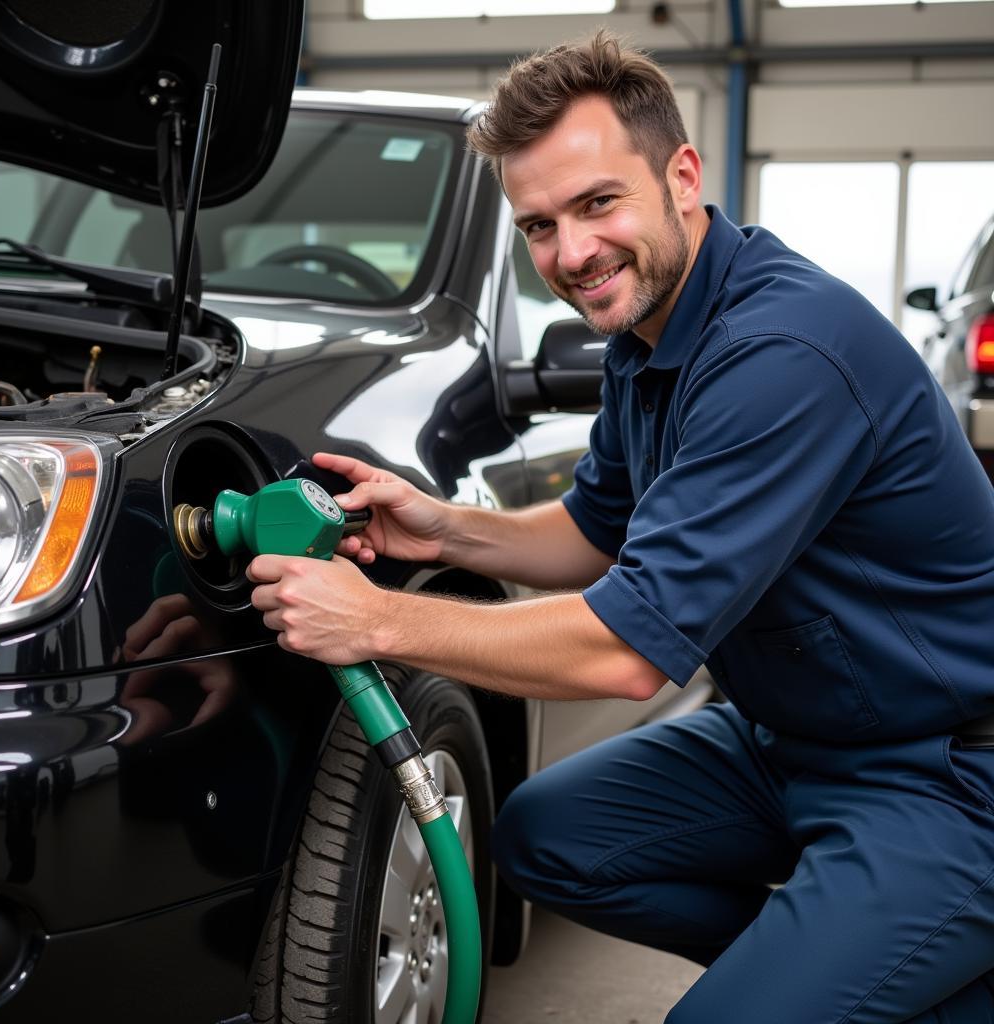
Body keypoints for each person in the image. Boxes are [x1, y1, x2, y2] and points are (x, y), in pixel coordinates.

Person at [247, 32, 994, 1023]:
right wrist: (443, 530)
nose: (570, 253)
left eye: (598, 203)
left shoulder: (781, 352)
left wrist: (376, 621)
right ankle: (855, 968)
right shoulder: (650, 340)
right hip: (789, 744)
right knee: (548, 833)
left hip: (945, 777)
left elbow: (626, 653)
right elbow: (594, 531)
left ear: (681, 175)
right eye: (539, 226)